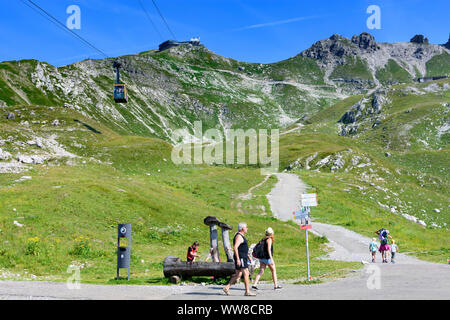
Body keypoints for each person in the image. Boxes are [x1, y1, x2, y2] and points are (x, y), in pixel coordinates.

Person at [223, 223, 256, 296]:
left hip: (243, 257)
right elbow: (235, 247)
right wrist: (238, 259)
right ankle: (247, 291)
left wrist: (248, 256)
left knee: (238, 274)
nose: (247, 228)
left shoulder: (241, 236)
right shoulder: (239, 236)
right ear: (242, 228)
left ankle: (227, 287)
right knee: (246, 273)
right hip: (240, 258)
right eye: (246, 227)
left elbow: (242, 248)